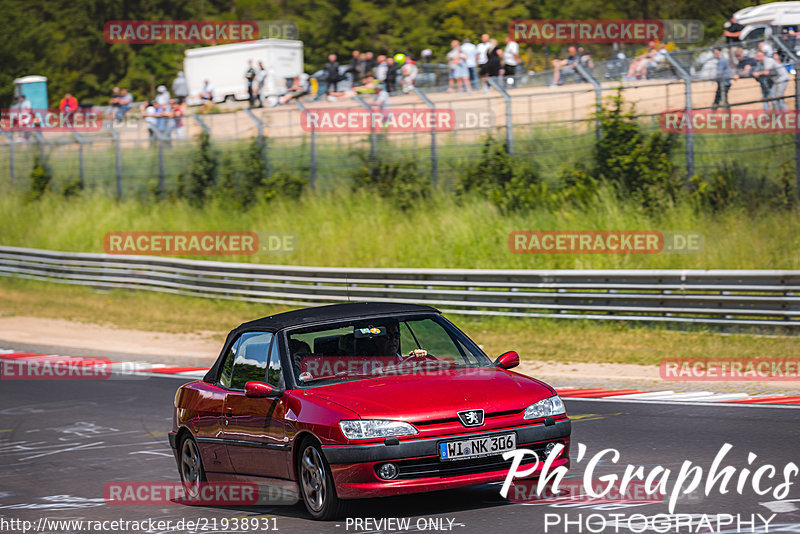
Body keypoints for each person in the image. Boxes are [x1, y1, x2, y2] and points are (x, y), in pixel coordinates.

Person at [711, 47, 733, 112]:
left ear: (719, 52)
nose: (714, 54)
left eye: (715, 52)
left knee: (718, 100)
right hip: (724, 83)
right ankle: (727, 116)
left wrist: (713, 79)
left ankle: (713, 116)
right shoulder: (723, 60)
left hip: (724, 83)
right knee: (722, 99)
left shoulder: (721, 61)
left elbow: (719, 73)